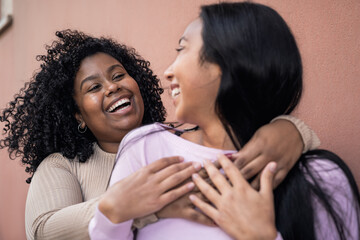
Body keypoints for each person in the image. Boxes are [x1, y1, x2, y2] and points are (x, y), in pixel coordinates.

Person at [0, 30, 317, 240]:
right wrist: (139, 208)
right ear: (78, 115)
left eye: (119, 75)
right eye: (94, 87)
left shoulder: (180, 138)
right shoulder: (63, 165)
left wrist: (291, 130)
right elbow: (44, 230)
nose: (113, 87)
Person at [89, 2, 360, 240]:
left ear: (229, 65)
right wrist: (109, 215)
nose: (168, 72)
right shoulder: (144, 150)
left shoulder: (322, 179)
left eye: (182, 49)